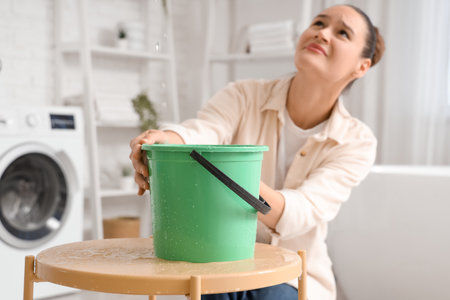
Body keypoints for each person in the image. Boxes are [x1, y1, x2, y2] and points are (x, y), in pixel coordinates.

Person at [129, 4, 385, 300]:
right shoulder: (244, 95)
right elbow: (202, 131)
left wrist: (219, 171)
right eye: (318, 23)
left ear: (361, 66)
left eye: (342, 33)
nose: (322, 34)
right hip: (220, 263)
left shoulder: (356, 141)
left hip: (295, 276)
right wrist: (165, 140)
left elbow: (300, 212)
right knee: (214, 289)